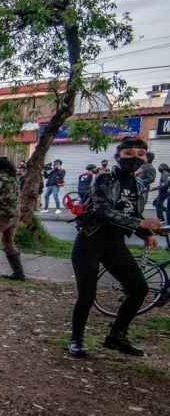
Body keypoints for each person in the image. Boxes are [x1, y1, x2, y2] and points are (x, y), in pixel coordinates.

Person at [69, 137, 161, 358]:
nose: (135, 159)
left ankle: (116, 336)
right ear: (118, 155)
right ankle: (76, 340)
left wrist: (146, 233)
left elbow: (132, 214)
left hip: (114, 245)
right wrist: (141, 224)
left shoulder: (140, 185)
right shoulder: (103, 178)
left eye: (140, 155)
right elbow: (103, 211)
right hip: (89, 243)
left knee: (139, 289)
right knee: (87, 295)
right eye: (129, 154)